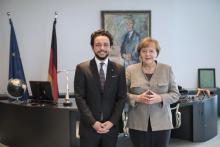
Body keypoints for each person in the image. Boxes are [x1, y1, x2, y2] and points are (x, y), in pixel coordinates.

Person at [74, 29, 127, 147]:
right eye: (98, 45)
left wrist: (112, 122)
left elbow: (122, 97)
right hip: (89, 127)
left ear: (110, 47)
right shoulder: (82, 68)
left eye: (105, 44)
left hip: (110, 128)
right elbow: (79, 98)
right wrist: (93, 122)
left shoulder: (119, 69)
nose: (102, 48)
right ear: (92, 47)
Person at [126, 37, 180, 147]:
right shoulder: (130, 70)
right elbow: (121, 94)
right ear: (140, 53)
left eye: (151, 51)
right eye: (144, 51)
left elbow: (175, 94)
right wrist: (137, 98)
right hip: (137, 123)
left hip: (162, 123)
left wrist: (160, 98)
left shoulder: (167, 69)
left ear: (157, 53)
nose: (147, 54)